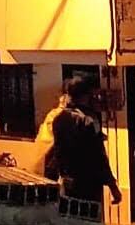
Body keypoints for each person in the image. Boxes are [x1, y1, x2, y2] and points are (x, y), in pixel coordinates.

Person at [50, 75, 122, 206]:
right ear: (85, 96)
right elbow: (99, 155)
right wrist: (113, 186)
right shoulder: (88, 120)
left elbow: (58, 152)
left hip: (67, 182)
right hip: (88, 183)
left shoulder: (58, 119)